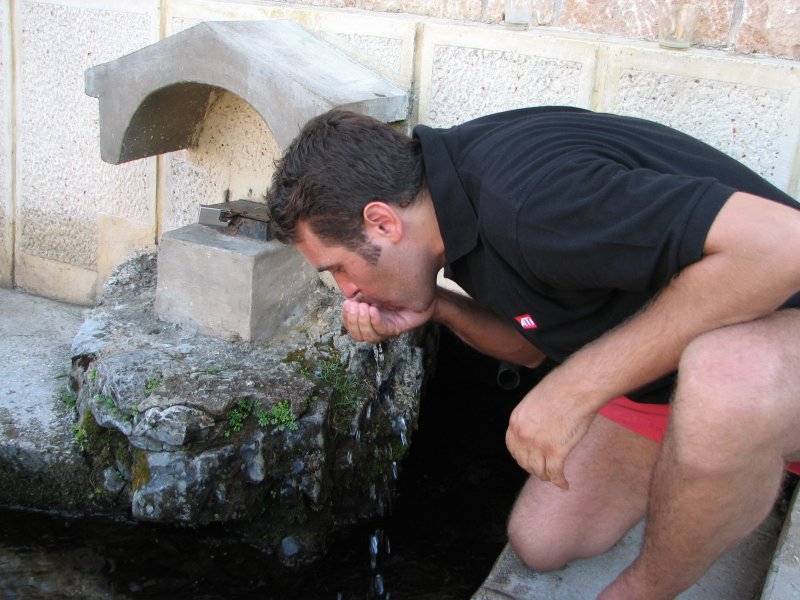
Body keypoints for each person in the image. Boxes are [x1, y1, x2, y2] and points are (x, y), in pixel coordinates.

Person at [266, 106, 800, 599]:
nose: (347, 292)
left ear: (383, 222)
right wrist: (438, 309)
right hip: (670, 369)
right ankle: (718, 454)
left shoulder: (532, 202)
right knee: (540, 540)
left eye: (338, 268)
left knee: (726, 379)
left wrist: (576, 389)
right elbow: (526, 348)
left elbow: (785, 246)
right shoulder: (451, 212)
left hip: (778, 324)